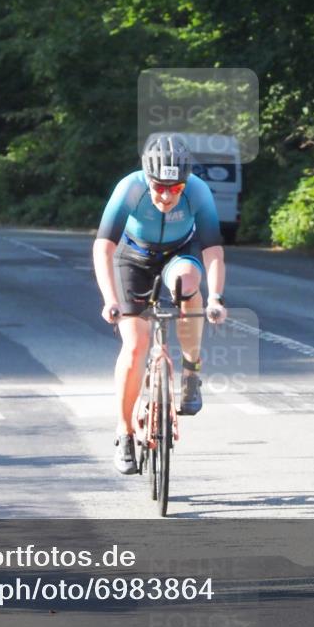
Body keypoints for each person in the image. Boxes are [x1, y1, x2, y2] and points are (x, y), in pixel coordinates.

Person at [93, 133, 228, 475]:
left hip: (178, 255)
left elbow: (212, 250)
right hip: (134, 258)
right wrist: (110, 299)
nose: (167, 196)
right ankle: (124, 433)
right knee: (136, 346)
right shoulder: (130, 189)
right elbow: (103, 248)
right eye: (159, 187)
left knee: (187, 281)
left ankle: (191, 368)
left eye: (176, 189)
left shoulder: (199, 191)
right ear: (147, 178)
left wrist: (215, 298)